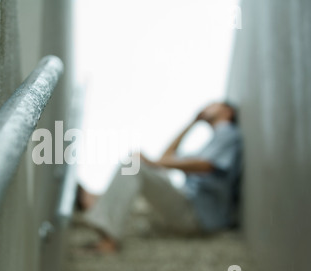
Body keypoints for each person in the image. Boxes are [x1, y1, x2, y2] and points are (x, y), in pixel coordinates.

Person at [81, 102, 242, 253]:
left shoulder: (227, 132)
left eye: (214, 104)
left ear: (228, 112)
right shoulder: (209, 146)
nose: (207, 106)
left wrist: (152, 162)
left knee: (133, 165)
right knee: (134, 172)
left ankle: (108, 237)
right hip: (190, 206)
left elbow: (206, 166)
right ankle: (96, 202)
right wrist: (192, 123)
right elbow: (167, 157)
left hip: (199, 213)